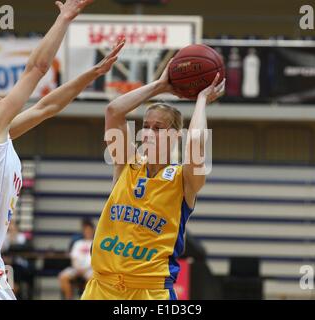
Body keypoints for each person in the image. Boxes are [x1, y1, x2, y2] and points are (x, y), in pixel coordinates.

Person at [0, 0, 124, 300]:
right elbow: (37, 68)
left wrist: (94, 73)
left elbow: (47, 106)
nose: (2, 97)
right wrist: (65, 18)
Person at [81, 61, 225, 300]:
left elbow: (197, 141)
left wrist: (201, 100)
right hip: (102, 286)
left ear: (175, 136)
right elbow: (113, 111)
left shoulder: (183, 179)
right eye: (146, 126)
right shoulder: (127, 162)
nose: (148, 133)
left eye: (158, 128)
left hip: (151, 290)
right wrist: (159, 86)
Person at [59, 219, 95, 299]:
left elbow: (95, 260)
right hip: (76, 268)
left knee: (92, 279)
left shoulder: (95, 243)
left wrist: (85, 269)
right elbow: (73, 258)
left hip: (90, 269)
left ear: (93, 231)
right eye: (86, 230)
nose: (88, 232)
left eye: (89, 230)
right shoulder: (78, 243)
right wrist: (78, 268)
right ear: (83, 231)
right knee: (63, 277)